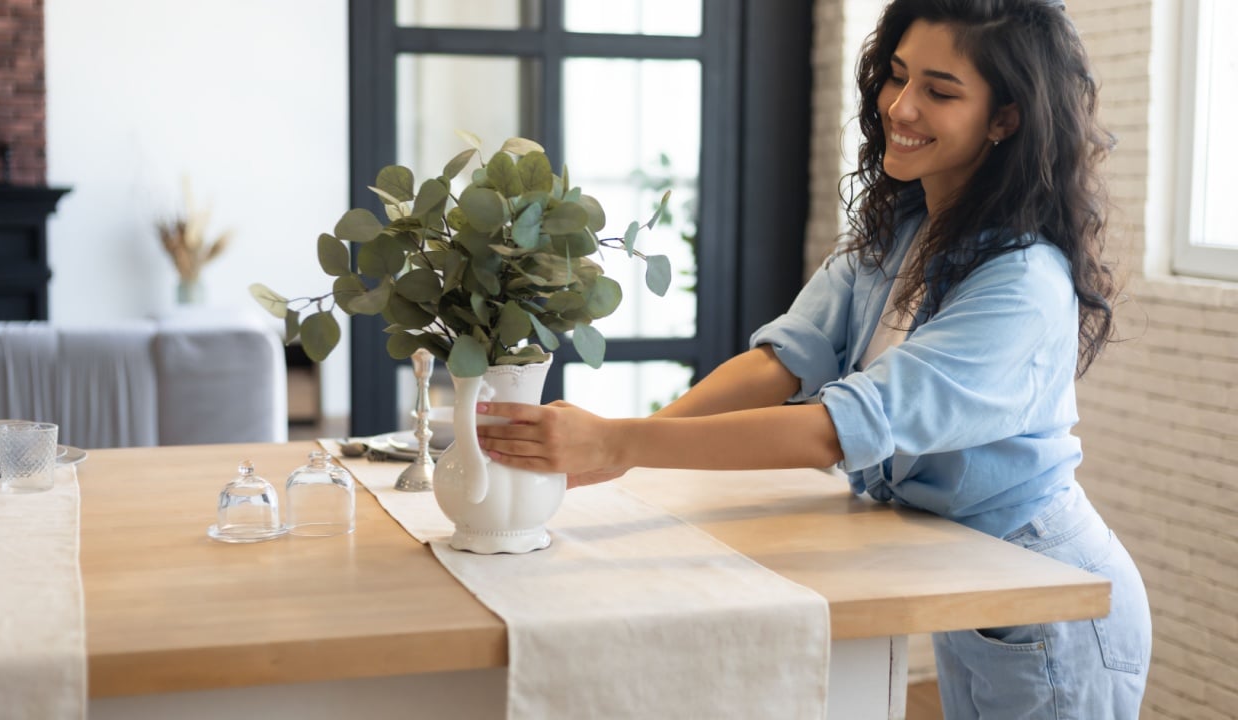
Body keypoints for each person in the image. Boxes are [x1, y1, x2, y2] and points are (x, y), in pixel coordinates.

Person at [476, 0, 1152, 716]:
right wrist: (625, 453)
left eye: (939, 91)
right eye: (896, 77)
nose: (901, 106)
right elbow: (785, 362)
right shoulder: (901, 231)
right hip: (975, 577)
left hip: (1048, 592)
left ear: (1005, 118)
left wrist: (624, 440)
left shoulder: (1023, 285)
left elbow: (838, 429)